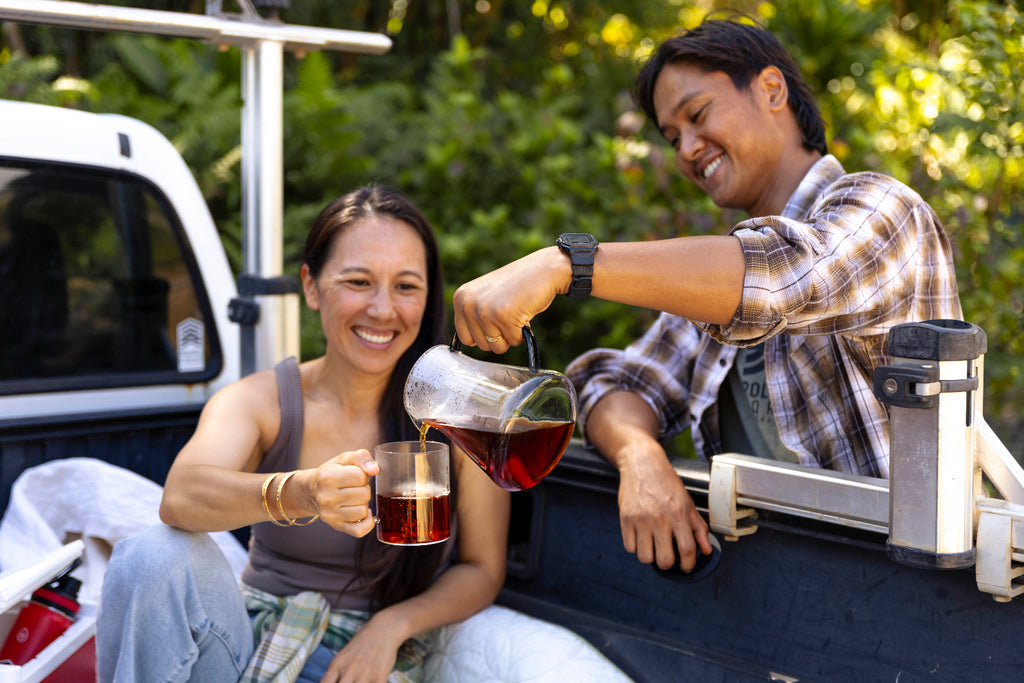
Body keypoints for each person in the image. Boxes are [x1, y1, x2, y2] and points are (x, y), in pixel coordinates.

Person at [450, 16, 961, 575]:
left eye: (697, 116)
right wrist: (640, 456)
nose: (688, 150)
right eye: (673, 139)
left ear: (771, 89)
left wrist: (566, 265)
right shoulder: (713, 282)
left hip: (910, 596)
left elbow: (779, 277)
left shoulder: (884, 209)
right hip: (774, 596)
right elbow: (610, 384)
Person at [97, 185, 510, 682]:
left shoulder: (460, 415)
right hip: (245, 642)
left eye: (406, 286)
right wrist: (305, 491)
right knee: (153, 554)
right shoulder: (262, 401)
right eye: (358, 282)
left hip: (362, 657)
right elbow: (179, 498)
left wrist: (390, 626)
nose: (383, 309)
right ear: (311, 286)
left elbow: (483, 569)